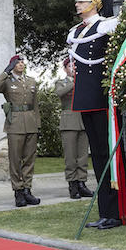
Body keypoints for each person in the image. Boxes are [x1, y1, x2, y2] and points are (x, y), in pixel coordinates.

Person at [66, 0, 126, 229]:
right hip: (84, 97)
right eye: (78, 2)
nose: (78, 6)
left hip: (103, 97)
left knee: (110, 153)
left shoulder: (106, 25)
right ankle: (106, 211)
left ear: (93, 3)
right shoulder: (76, 31)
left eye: (82, 2)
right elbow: (73, 58)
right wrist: (67, 66)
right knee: (98, 155)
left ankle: (117, 211)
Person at [0, 55, 40, 207]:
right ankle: (18, 191)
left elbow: (35, 105)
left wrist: (38, 125)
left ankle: (27, 190)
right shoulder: (6, 81)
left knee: (29, 159)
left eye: (22, 62)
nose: (21, 64)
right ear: (12, 65)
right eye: (17, 62)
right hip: (15, 124)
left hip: (30, 123)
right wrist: (6, 71)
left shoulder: (31, 81)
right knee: (15, 159)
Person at [54, 58, 93, 199]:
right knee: (70, 156)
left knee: (82, 156)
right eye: (70, 66)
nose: (73, 68)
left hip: (83, 121)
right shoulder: (61, 83)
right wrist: (75, 83)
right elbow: (59, 93)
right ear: (65, 69)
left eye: (75, 66)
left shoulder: (84, 82)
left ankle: (82, 183)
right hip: (69, 122)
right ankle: (73, 184)